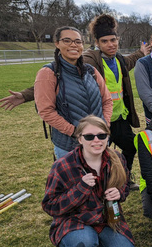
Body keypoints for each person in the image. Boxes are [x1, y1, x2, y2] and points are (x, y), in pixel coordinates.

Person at [0, 14, 151, 190]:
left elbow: (110, 93)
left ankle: (121, 183)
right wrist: (26, 95)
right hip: (72, 138)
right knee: (76, 185)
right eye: (67, 41)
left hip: (108, 123)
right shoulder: (88, 60)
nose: (111, 44)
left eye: (113, 40)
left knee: (105, 173)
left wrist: (141, 53)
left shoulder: (109, 63)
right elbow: (50, 87)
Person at [42, 115, 138, 247]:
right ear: (79, 138)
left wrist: (119, 193)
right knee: (82, 243)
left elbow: (124, 185)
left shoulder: (117, 158)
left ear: (108, 137)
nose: (96, 140)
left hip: (108, 221)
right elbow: (50, 206)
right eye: (89, 136)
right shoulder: (63, 165)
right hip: (75, 221)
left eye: (102, 136)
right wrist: (81, 189)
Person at [34, 26, 112, 159]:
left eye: (78, 41)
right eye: (67, 41)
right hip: (69, 147)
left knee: (101, 179)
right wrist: (75, 132)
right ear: (57, 43)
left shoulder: (91, 71)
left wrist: (104, 125)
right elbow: (46, 111)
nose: (73, 45)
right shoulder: (48, 73)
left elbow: (107, 100)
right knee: (75, 180)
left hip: (99, 142)